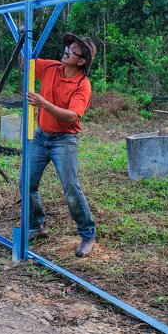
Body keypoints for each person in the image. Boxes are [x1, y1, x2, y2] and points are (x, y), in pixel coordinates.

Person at [24, 33, 98, 257]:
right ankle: (37, 225)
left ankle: (88, 234)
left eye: (72, 50)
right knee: (26, 183)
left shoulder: (83, 85)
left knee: (71, 189)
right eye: (68, 47)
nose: (66, 51)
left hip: (64, 140)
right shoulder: (51, 68)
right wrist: (22, 40)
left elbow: (71, 117)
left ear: (82, 61)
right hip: (40, 137)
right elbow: (27, 62)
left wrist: (43, 103)